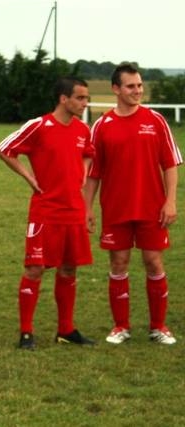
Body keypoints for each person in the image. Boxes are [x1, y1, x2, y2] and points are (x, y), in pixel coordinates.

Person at [84, 63, 182, 345]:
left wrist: (170, 201)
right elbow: (94, 173)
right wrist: (87, 208)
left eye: (139, 85)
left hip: (152, 207)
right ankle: (121, 327)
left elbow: (170, 164)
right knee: (119, 263)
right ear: (116, 89)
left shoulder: (156, 121)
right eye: (131, 86)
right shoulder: (102, 126)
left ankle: (159, 327)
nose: (137, 90)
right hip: (116, 208)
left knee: (153, 262)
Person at [0, 77, 96, 350]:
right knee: (35, 268)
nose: (85, 103)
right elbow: (4, 149)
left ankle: (66, 330)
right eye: (80, 98)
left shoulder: (82, 129)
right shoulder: (38, 126)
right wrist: (29, 177)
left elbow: (89, 153)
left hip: (73, 210)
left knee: (69, 267)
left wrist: (83, 171)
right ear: (64, 99)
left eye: (86, 98)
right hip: (45, 210)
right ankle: (26, 333)